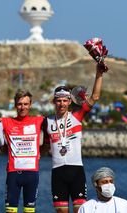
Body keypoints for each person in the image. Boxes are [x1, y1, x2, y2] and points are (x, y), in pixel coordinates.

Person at [42, 64, 106, 213]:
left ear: (70, 101)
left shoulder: (77, 117)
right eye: (58, 100)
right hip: (57, 173)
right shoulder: (47, 121)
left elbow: (95, 97)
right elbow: (44, 145)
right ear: (53, 102)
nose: (61, 104)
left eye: (65, 100)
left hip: (76, 172)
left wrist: (99, 73)